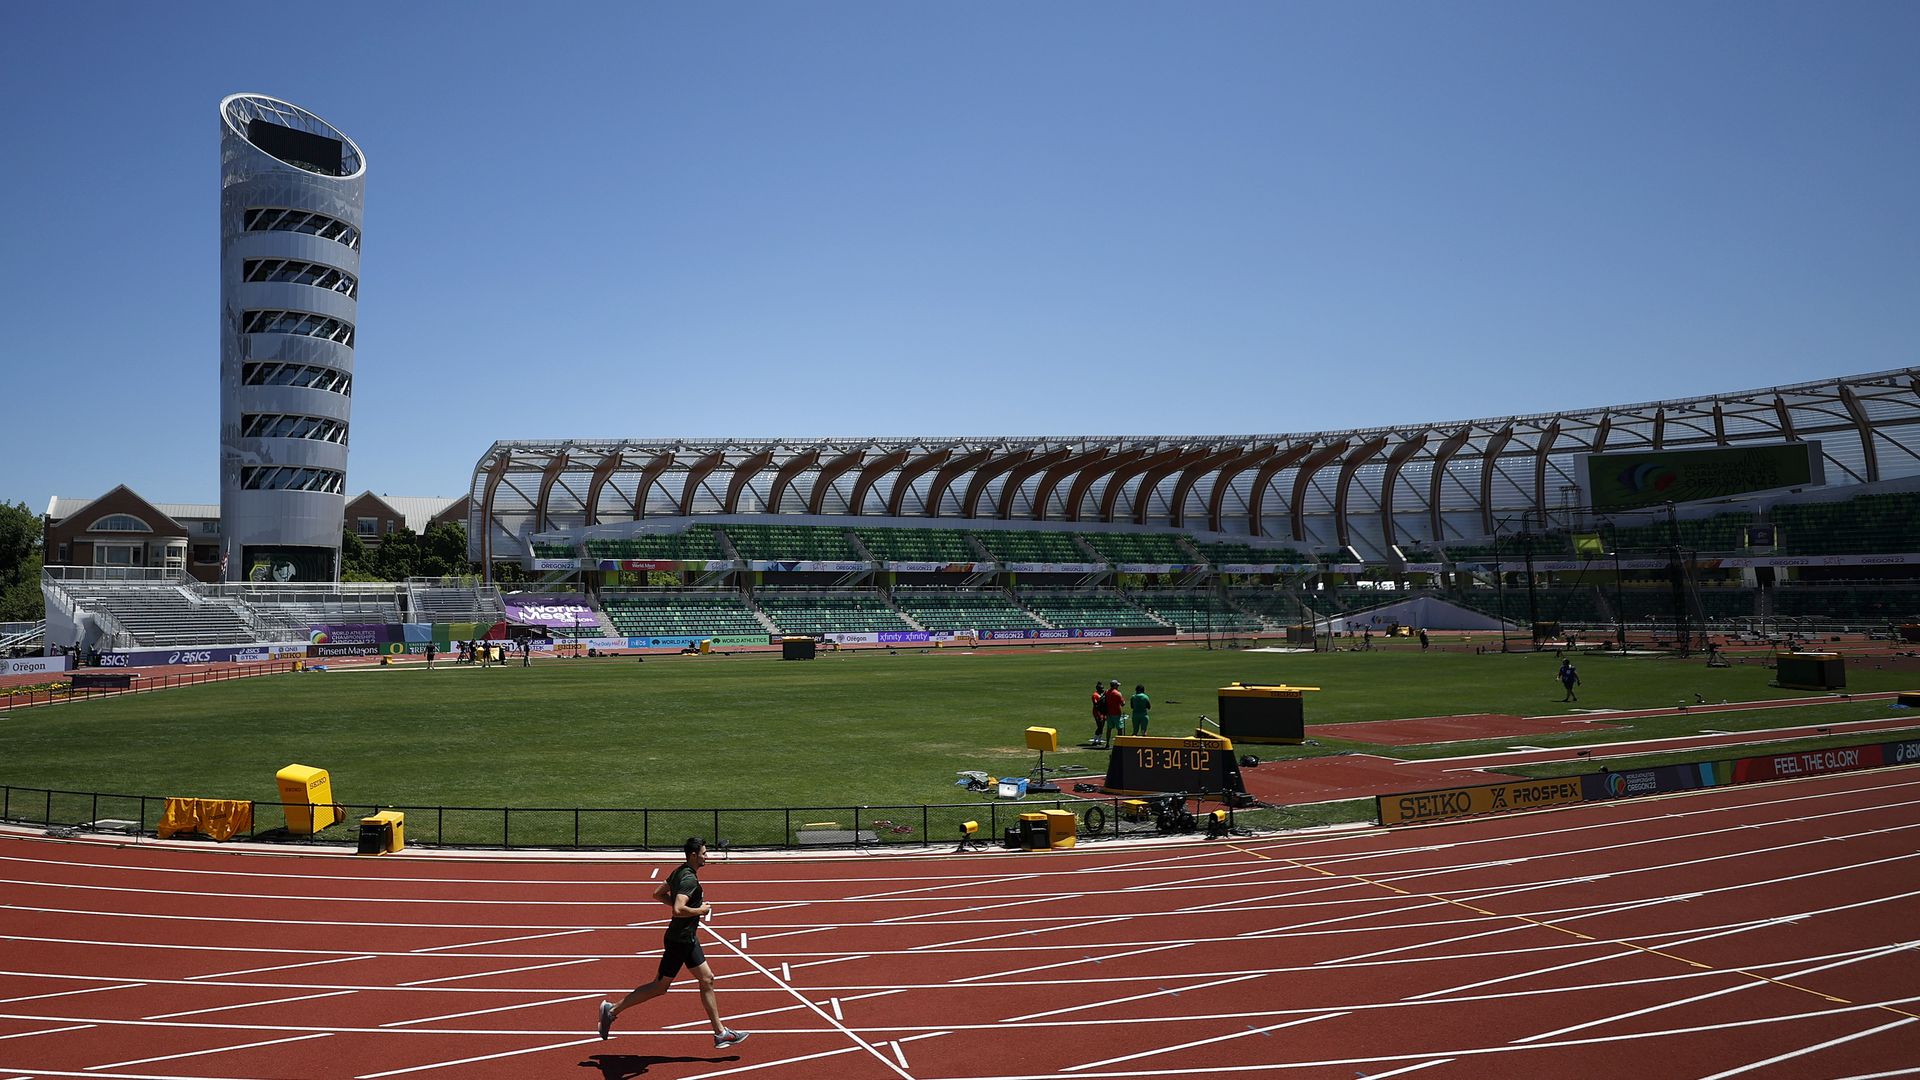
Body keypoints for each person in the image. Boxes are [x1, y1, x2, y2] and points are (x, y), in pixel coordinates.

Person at [598, 837, 748, 1049]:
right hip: (679, 941)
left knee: (707, 979)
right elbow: (678, 909)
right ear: (694, 855)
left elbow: (658, 894)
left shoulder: (680, 871)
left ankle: (720, 1033)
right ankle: (612, 1010)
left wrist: (688, 911)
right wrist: (700, 910)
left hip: (688, 938)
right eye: (704, 853)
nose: (707, 856)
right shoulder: (689, 880)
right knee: (659, 987)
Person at [1090, 681, 1106, 746]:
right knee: (1099, 726)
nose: (1103, 689)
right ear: (1098, 689)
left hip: (1103, 712)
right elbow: (1096, 705)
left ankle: (1099, 741)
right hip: (1097, 712)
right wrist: (1101, 699)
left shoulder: (1102, 694)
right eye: (1101, 688)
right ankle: (1094, 741)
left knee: (1102, 727)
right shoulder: (1095, 695)